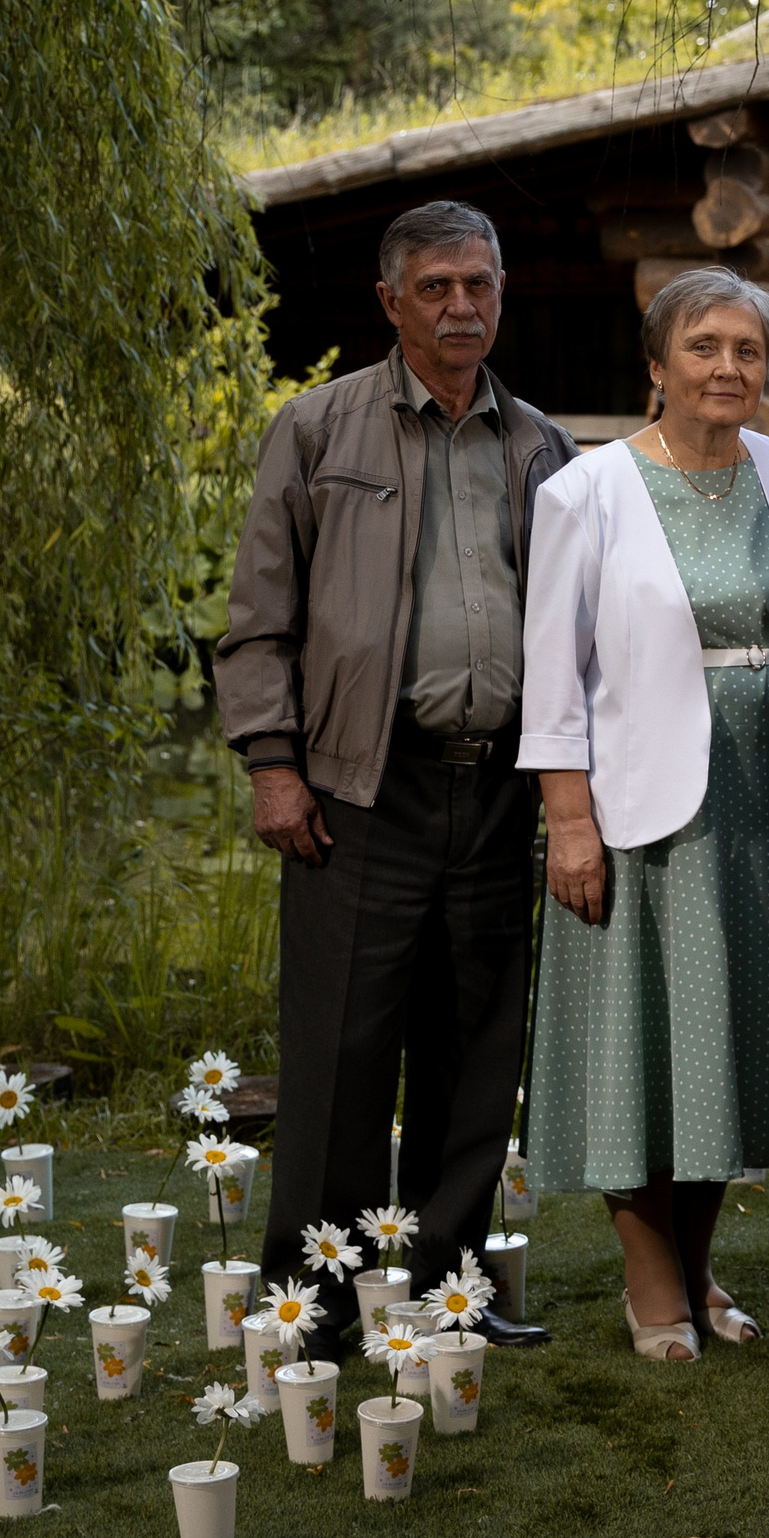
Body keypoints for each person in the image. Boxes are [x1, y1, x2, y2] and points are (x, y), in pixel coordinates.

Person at [217, 199, 570, 1353]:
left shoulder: (541, 448)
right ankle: (315, 1308)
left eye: (480, 283)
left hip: (497, 792)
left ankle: (439, 1293)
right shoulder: (317, 432)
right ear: (391, 301)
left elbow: (575, 629)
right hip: (360, 791)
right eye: (436, 287)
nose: (462, 306)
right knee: (340, 1057)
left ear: (502, 291)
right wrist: (274, 766)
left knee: (474, 1057)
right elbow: (258, 623)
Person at [520, 267, 769, 1363]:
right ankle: (651, 1287)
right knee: (643, 1047)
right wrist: (568, 816)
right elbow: (550, 668)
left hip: (764, 803)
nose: (728, 368)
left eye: (748, 350)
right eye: (704, 347)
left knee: (727, 1049)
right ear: (656, 366)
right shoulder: (587, 491)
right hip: (644, 805)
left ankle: (699, 1269)